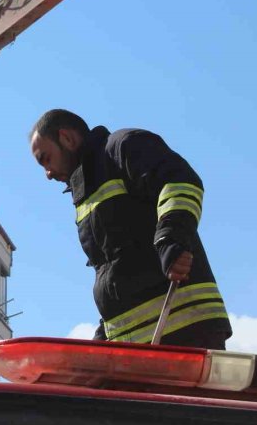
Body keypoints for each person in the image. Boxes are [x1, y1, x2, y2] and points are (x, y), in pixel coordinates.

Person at [29, 109, 231, 349]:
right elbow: (116, 269)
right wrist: (105, 335)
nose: (48, 174)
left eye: (45, 159)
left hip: (184, 329)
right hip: (135, 346)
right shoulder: (88, 193)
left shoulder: (123, 147)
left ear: (67, 139)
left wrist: (171, 237)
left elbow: (179, 181)